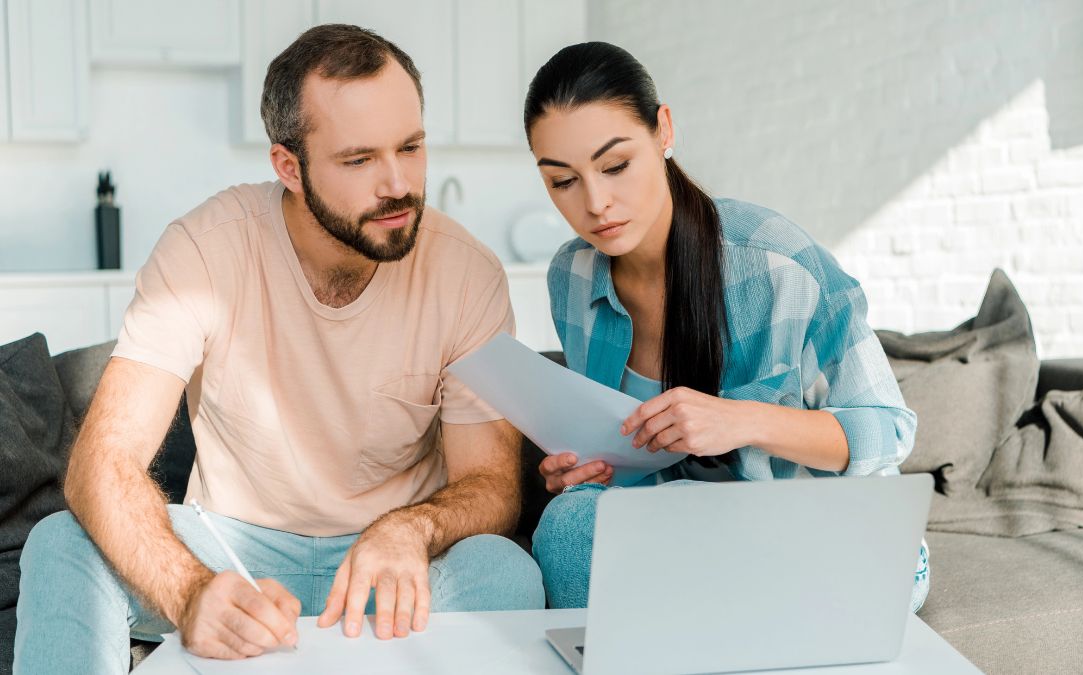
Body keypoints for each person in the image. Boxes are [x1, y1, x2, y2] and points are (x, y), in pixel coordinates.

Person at [15, 24, 543, 674]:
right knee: (62, 543)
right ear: (288, 166)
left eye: (411, 147)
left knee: (504, 570)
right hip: (230, 551)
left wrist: (411, 528)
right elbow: (102, 462)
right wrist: (189, 592)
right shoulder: (205, 250)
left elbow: (489, 482)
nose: (399, 183)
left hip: (393, 560)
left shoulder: (468, 273)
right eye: (359, 160)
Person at [523, 42, 929, 612]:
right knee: (569, 527)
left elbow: (889, 430)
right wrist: (587, 469)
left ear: (663, 131)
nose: (596, 203)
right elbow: (626, 461)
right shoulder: (572, 275)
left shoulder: (773, 260)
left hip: (821, 527)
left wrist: (739, 421)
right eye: (562, 181)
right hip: (691, 528)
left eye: (616, 166)